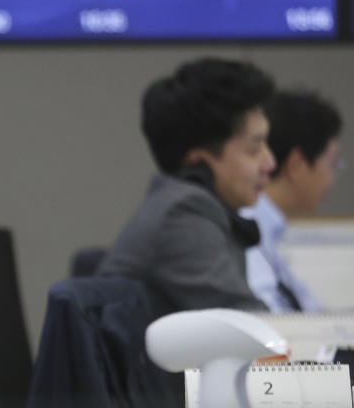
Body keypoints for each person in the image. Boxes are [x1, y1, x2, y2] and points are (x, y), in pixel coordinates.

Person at [97, 58, 276, 317]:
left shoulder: (186, 205)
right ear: (197, 163)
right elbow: (249, 325)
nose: (270, 163)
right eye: (253, 148)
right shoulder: (184, 214)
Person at [240, 90, 344, 312]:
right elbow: (273, 323)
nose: (332, 179)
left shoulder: (269, 228)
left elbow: (311, 312)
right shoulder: (248, 229)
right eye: (331, 164)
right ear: (297, 164)